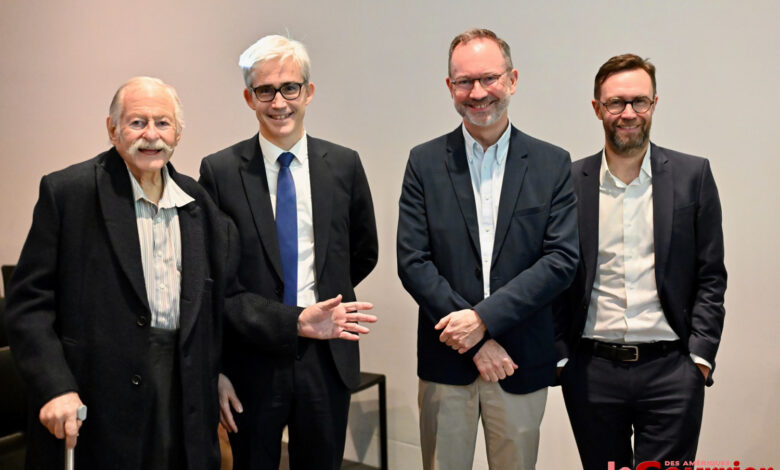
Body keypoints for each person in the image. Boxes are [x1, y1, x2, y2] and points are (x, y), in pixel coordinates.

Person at [4, 76, 376, 470]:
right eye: (137, 122)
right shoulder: (69, 193)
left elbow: (224, 299)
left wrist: (286, 326)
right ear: (112, 129)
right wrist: (55, 386)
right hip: (95, 401)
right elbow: (28, 306)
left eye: (162, 123)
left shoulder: (196, 203)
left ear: (178, 133)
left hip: (183, 398)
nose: (151, 135)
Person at [397, 28, 578, 470]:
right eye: (464, 82)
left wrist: (483, 321)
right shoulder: (424, 162)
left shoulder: (552, 163)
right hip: (447, 359)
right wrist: (475, 341)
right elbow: (413, 261)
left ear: (512, 80)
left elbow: (560, 261)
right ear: (449, 88)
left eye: (489, 79)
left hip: (519, 361)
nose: (477, 93)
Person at [199, 34, 378, 469]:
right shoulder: (219, 172)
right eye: (265, 90)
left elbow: (362, 250)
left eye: (290, 88)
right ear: (249, 97)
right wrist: (217, 368)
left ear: (308, 92)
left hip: (326, 357)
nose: (279, 102)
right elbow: (213, 281)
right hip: (251, 360)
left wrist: (322, 303)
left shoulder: (344, 164)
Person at [555, 54, 727, 470]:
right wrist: (563, 359)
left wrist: (699, 360)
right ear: (597, 108)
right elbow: (553, 275)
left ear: (654, 104)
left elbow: (711, 275)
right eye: (616, 103)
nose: (628, 113)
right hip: (591, 372)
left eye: (639, 102)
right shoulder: (567, 182)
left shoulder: (693, 175)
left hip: (672, 372)